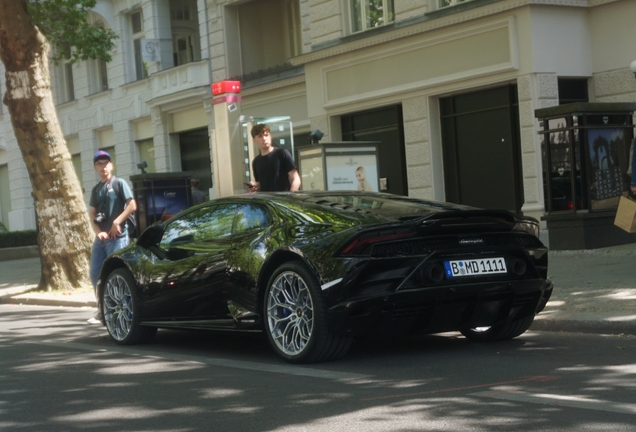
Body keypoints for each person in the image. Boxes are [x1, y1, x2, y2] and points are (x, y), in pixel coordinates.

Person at [87, 150, 137, 324]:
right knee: (95, 274)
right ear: (95, 168)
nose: (103, 167)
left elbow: (132, 205)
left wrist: (117, 221)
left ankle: (123, 310)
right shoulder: (95, 189)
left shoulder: (119, 183)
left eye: (106, 163)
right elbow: (92, 215)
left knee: (117, 275)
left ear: (111, 165)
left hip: (118, 238)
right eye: (99, 164)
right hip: (101, 240)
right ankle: (102, 310)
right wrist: (97, 232)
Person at [245, 124, 301, 192]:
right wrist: (254, 187)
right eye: (260, 136)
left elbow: (296, 179)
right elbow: (260, 184)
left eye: (266, 135)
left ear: (270, 136)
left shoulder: (282, 153)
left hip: (283, 200)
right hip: (266, 201)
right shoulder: (256, 161)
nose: (264, 139)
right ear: (254, 140)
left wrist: (290, 197)